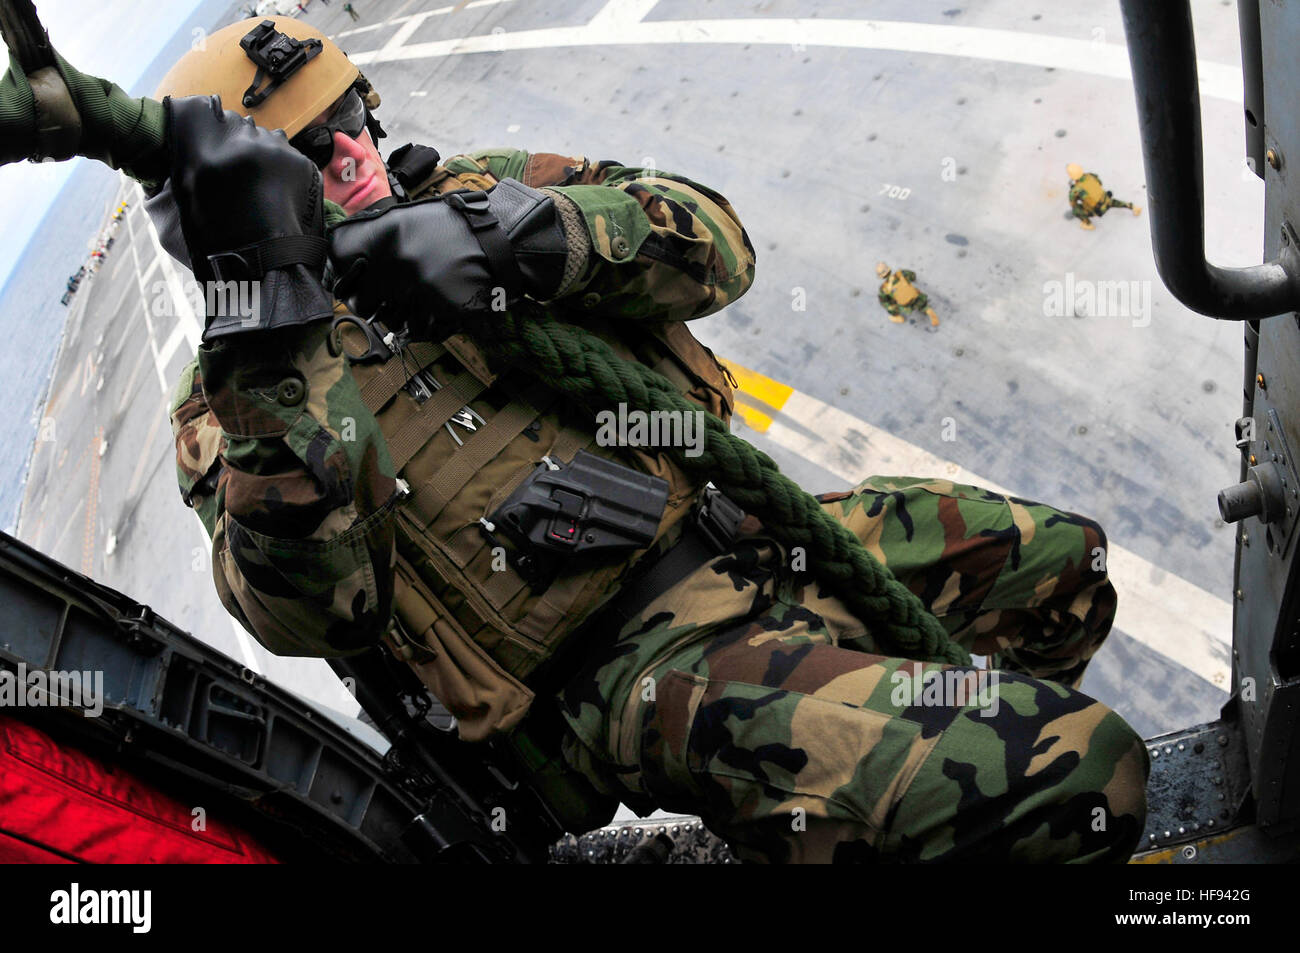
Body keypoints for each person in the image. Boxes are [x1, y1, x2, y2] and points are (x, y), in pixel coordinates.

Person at [146, 16, 1145, 862]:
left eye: (355, 117)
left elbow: (716, 242)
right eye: (315, 151)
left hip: (753, 534)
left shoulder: (469, 192)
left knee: (1062, 563)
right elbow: (308, 611)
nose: (358, 155)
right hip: (631, 674)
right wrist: (276, 352)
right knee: (1082, 773)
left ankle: (903, 802)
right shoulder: (231, 403)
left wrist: (528, 239)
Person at [1067, 163, 1141, 231]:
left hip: (1098, 209)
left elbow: (1073, 203)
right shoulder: (1090, 175)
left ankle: (1088, 224)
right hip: (1106, 199)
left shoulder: (1075, 190)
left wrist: (1079, 195)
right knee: (1114, 202)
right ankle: (1133, 207)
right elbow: (1100, 183)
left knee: (1075, 210)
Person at [876, 261, 940, 330]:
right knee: (918, 300)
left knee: (889, 305)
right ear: (889, 269)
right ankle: (927, 309)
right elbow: (913, 276)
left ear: (881, 276)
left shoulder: (884, 288)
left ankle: (897, 317)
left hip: (904, 305)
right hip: (915, 297)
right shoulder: (901, 273)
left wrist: (891, 303)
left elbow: (884, 302)